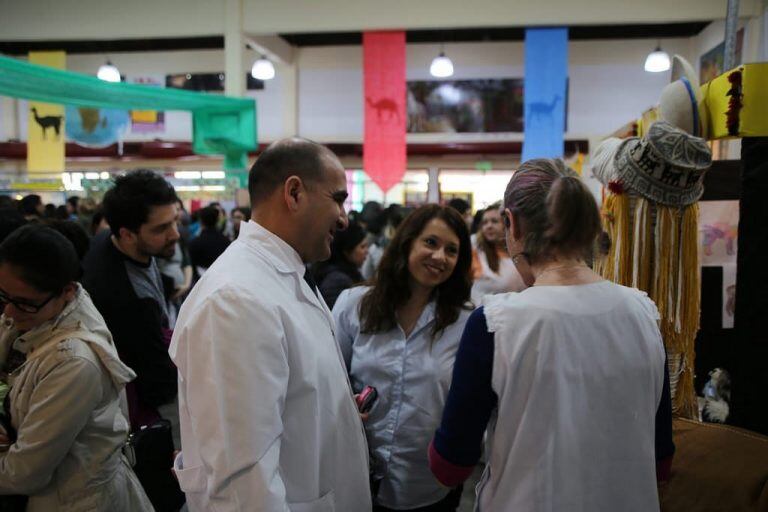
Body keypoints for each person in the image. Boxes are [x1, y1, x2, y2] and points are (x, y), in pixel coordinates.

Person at [429, 159, 674, 511]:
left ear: (512, 224)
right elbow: (661, 462)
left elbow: (450, 466)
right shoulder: (644, 313)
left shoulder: (495, 324)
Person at [170, 138, 371, 511]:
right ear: (294, 193)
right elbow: (243, 486)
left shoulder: (284, 274)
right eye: (338, 199)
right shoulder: (235, 300)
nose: (344, 218)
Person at [0, 225, 153, 511]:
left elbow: (25, 473)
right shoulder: (32, 317)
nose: (9, 312)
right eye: (3, 297)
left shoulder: (73, 362)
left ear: (68, 291)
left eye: (24, 303)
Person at [333, 204, 473, 511]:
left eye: (452, 250)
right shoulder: (354, 305)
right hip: (356, 476)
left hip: (427, 483)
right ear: (408, 241)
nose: (440, 257)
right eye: (431, 242)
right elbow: (330, 380)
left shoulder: (464, 324)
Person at [81, 170, 179, 431]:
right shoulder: (124, 297)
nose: (175, 234)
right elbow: (158, 382)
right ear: (127, 234)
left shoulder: (109, 239)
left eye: (174, 221)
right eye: (162, 228)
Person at [470, 202, 526, 304]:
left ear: (507, 225)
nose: (489, 226)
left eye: (494, 221)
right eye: (485, 222)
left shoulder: (521, 251)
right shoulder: (474, 247)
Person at [313, 220, 368, 308]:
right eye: (362, 247)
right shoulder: (337, 282)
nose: (367, 251)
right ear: (347, 251)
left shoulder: (349, 273)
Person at [188, 205, 230, 276]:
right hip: (222, 278)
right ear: (217, 220)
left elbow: (192, 265)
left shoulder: (195, 242)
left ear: (200, 221)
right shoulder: (226, 241)